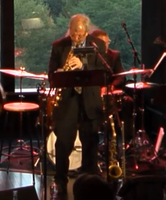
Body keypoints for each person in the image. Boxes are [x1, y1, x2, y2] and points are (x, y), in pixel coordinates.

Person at [48, 14, 107, 195]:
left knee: (90, 142)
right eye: (73, 34)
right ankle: (60, 182)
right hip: (68, 100)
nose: (76, 37)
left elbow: (103, 73)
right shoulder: (59, 46)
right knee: (63, 143)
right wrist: (61, 73)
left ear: (87, 32)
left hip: (90, 100)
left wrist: (83, 66)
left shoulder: (98, 45)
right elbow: (51, 75)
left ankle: (90, 185)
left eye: (80, 35)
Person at [89, 29, 134, 141]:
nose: (106, 45)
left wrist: (111, 86)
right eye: (103, 43)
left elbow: (121, 76)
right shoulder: (89, 57)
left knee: (129, 102)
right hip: (93, 92)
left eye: (107, 42)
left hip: (110, 91)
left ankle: (127, 140)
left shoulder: (114, 55)